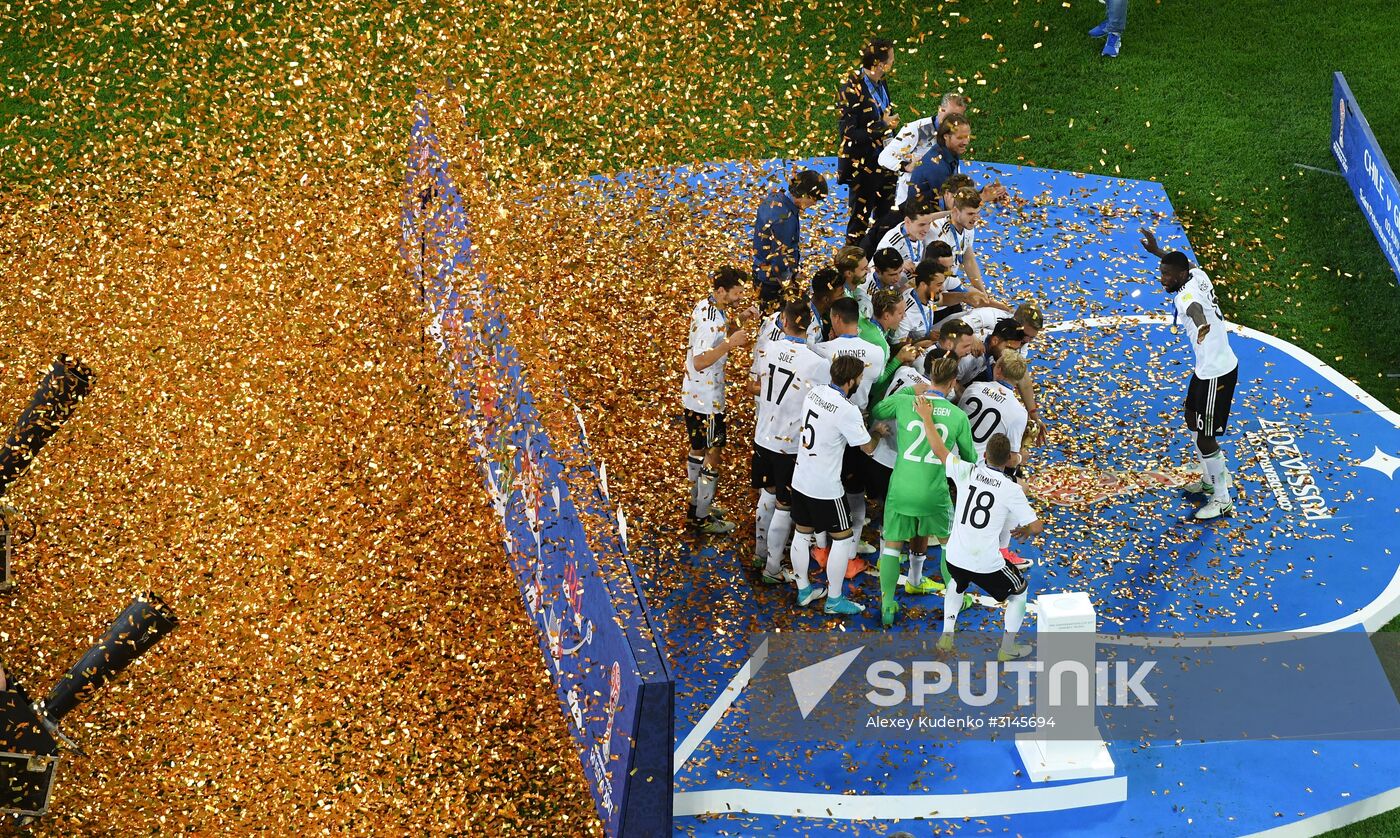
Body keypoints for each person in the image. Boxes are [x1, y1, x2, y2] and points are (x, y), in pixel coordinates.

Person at [918, 410, 1042, 661]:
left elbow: (939, 449)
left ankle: (947, 634)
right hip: (986, 562)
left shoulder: (967, 471)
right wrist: (1026, 530)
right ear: (1008, 460)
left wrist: (926, 417)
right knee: (1019, 592)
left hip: (955, 556)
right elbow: (1036, 526)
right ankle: (1007, 648)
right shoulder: (1011, 488)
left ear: (985, 455)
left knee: (956, 583)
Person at [1140, 228, 1240, 520]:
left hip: (1216, 374)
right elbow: (1188, 265)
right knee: (1192, 420)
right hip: (1206, 369)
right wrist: (1158, 251)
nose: (1163, 279)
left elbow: (1195, 308)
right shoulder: (1198, 275)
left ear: (1181, 276)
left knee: (1206, 438)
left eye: (1167, 275)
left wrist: (1201, 324)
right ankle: (1209, 481)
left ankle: (1222, 499)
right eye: (1162, 273)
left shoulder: (1184, 296)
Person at [871, 356, 978, 627]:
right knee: (948, 547)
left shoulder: (906, 402)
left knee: (892, 547)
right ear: (953, 382)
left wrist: (910, 390)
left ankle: (887, 605)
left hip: (901, 488)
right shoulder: (958, 416)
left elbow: (878, 409)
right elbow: (970, 458)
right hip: (934, 492)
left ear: (930, 376)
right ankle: (955, 600)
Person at [789, 355, 886, 615]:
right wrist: (877, 431)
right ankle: (834, 600)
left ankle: (804, 590)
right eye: (860, 379)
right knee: (843, 539)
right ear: (851, 381)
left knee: (802, 533)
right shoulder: (847, 410)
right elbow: (867, 447)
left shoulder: (815, 392)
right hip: (826, 487)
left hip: (801, 477)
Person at [752, 302, 831, 583]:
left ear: (784, 321)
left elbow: (757, 383)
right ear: (809, 326)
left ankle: (760, 553)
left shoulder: (769, 348)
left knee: (767, 493)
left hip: (763, 435)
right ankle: (772, 568)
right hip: (790, 444)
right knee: (784, 505)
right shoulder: (817, 363)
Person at [683, 267, 756, 535]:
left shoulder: (708, 305)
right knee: (713, 455)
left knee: (698, 449)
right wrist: (730, 344)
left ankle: (696, 506)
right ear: (721, 290)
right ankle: (701, 516)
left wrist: (740, 319)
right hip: (708, 401)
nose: (740, 298)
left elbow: (720, 331)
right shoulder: (708, 321)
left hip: (693, 394)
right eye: (737, 294)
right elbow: (700, 361)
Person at [837, 38, 900, 246]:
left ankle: (878, 259)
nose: (893, 61)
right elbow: (849, 134)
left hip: (886, 161)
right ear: (880, 64)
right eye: (891, 58)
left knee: (886, 218)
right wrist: (882, 126)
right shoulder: (850, 89)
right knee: (859, 223)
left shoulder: (880, 82)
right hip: (863, 166)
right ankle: (851, 260)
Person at [752, 170, 830, 310]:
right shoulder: (785, 220)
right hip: (772, 282)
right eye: (814, 199)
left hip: (760, 271)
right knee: (775, 316)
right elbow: (779, 260)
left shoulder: (775, 198)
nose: (814, 203)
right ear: (804, 195)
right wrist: (790, 285)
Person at [880, 93, 969, 205]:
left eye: (958, 117)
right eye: (951, 115)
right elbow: (884, 157)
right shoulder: (917, 129)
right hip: (911, 203)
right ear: (941, 110)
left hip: (941, 200)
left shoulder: (956, 135)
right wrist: (906, 166)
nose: (954, 122)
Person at [908, 114, 970, 204]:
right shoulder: (937, 166)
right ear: (946, 136)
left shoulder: (950, 150)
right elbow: (950, 203)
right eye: (960, 138)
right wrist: (982, 196)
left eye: (967, 136)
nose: (966, 142)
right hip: (925, 211)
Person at [876, 197, 939, 283]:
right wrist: (900, 265)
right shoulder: (891, 243)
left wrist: (950, 212)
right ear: (907, 221)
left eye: (929, 223)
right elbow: (874, 271)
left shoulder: (918, 232)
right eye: (922, 225)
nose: (927, 229)